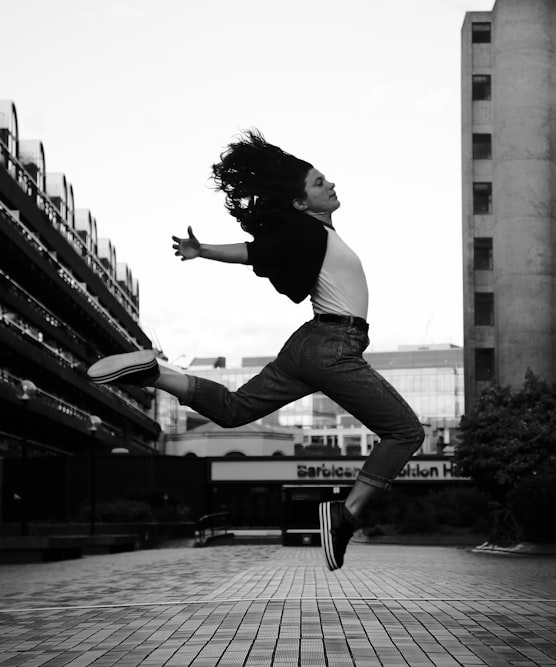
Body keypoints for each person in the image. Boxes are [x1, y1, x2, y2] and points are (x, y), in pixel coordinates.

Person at [87, 130, 425, 570]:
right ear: (302, 203)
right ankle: (345, 515)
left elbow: (263, 250)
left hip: (310, 344)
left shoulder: (316, 232)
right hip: (332, 346)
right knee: (406, 432)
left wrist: (203, 249)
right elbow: (256, 251)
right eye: (320, 183)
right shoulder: (310, 232)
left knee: (233, 410)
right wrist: (204, 249)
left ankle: (157, 374)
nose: (332, 184)